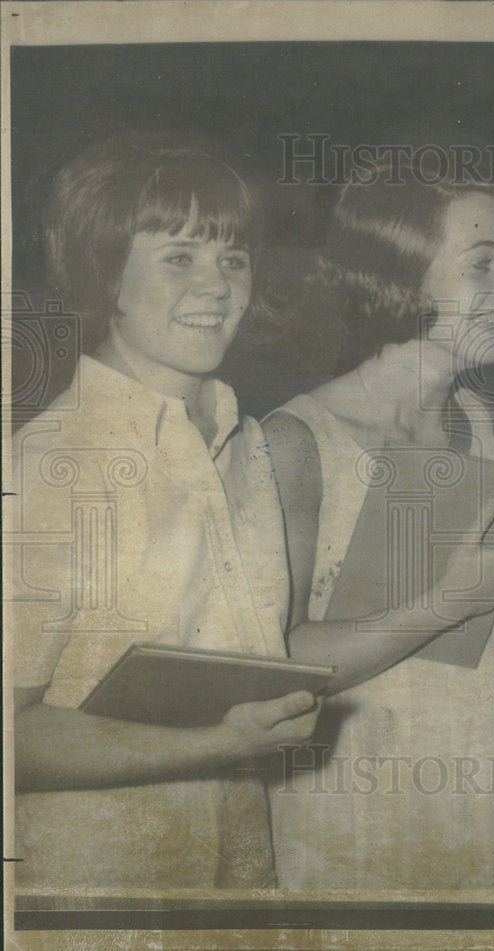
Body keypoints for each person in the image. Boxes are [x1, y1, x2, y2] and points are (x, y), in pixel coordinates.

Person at [10, 133, 322, 889]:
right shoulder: (53, 462)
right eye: (179, 257)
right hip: (96, 892)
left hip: (236, 883)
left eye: (233, 259)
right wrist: (218, 744)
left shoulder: (246, 447)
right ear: (105, 274)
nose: (217, 286)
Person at [262, 167, 494, 890]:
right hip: (365, 809)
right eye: (481, 265)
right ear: (400, 277)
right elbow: (279, 663)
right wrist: (445, 603)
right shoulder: (298, 440)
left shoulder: (482, 422)